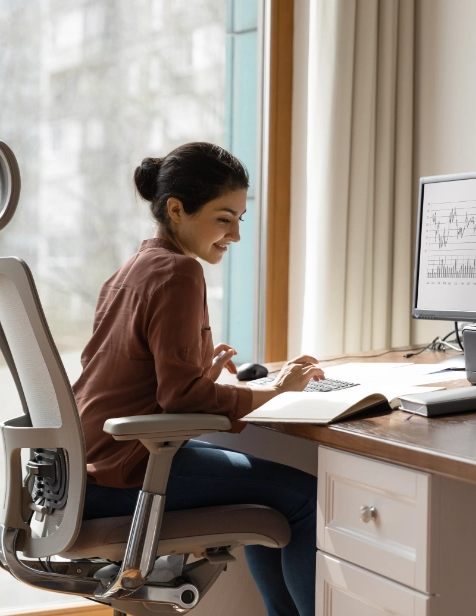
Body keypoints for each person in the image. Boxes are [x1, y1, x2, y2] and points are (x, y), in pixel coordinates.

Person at [73, 142, 324, 616]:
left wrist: (200, 379)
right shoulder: (179, 270)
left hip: (88, 467)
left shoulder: (132, 269)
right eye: (223, 218)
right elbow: (179, 396)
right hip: (128, 471)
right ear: (176, 209)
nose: (235, 235)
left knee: (276, 506)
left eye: (239, 220)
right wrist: (274, 390)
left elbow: (151, 385)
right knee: (306, 500)